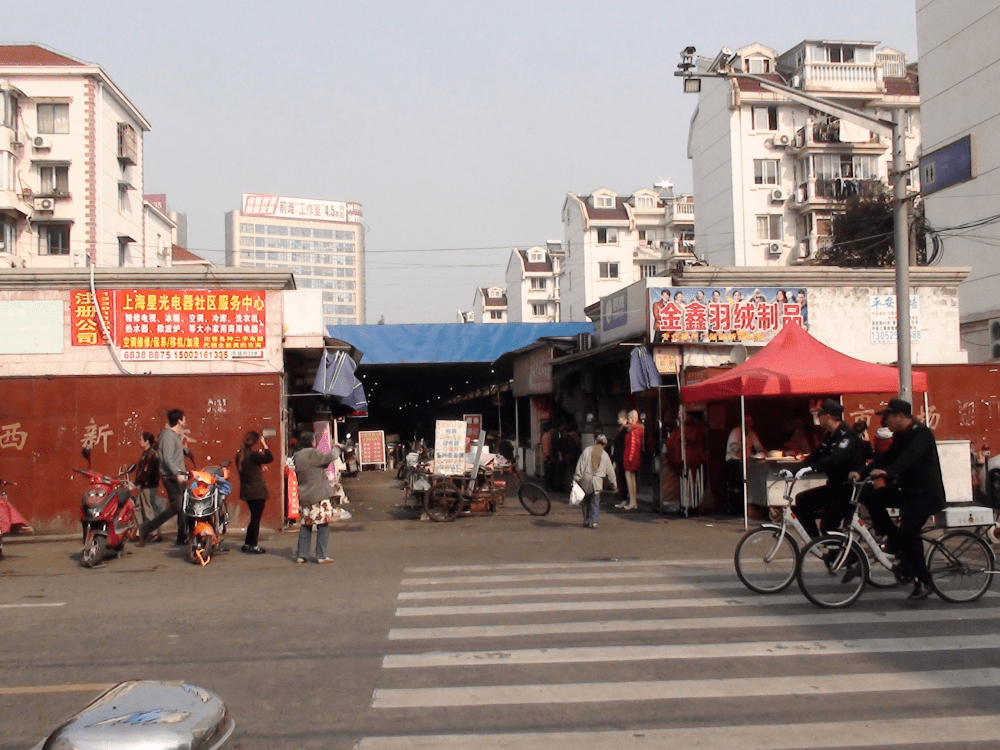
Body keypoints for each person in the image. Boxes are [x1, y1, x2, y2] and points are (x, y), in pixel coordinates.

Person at [854, 398, 947, 601]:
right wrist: (861, 473)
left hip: (924, 496)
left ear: (900, 417)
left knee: (909, 533)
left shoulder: (921, 434)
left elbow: (909, 458)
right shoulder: (901, 436)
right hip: (907, 492)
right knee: (872, 496)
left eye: (888, 417)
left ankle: (924, 582)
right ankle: (894, 541)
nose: (885, 422)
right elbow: (885, 458)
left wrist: (886, 472)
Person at [786, 399, 867, 538]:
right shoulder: (830, 435)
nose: (817, 418)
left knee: (828, 525)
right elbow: (815, 457)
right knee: (802, 500)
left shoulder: (847, 435)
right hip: (835, 487)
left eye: (820, 415)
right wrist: (793, 470)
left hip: (849, 489)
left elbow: (834, 459)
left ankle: (847, 556)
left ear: (828, 416)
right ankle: (815, 542)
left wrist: (812, 469)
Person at [139, 408, 189, 546]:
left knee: (184, 507)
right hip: (172, 477)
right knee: (176, 507)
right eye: (184, 418)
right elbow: (167, 457)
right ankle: (146, 529)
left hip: (178, 477)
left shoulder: (173, 436)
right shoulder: (167, 435)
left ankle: (182, 537)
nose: (185, 421)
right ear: (179, 420)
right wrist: (177, 473)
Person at [293, 430, 342, 564]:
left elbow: (319, 464)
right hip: (319, 494)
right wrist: (337, 448)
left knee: (306, 525)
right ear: (311, 441)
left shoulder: (297, 456)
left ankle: (301, 555)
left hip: (304, 495)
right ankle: (321, 555)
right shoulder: (313, 453)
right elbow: (329, 457)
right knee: (323, 524)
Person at [235, 430, 274, 555]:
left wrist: (258, 467)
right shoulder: (253, 455)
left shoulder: (240, 455)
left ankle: (248, 543)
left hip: (247, 490)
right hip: (257, 491)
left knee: (253, 518)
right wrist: (265, 444)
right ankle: (253, 545)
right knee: (256, 519)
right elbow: (269, 458)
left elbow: (249, 468)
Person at [574, 434, 617, 528]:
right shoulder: (605, 455)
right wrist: (614, 484)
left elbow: (580, 465)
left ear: (595, 442)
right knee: (595, 501)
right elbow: (610, 471)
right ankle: (594, 522)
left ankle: (586, 520)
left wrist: (577, 478)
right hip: (597, 481)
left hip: (585, 480)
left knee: (585, 501)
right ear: (605, 445)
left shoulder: (587, 451)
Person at [725, 415, 766, 515]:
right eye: (747, 422)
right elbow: (733, 450)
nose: (750, 424)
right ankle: (741, 489)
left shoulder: (752, 434)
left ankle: (757, 501)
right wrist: (741, 447)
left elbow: (759, 447)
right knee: (741, 468)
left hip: (748, 460)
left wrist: (763, 452)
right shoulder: (736, 432)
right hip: (735, 460)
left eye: (751, 422)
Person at [134, 432, 163, 542]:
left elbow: (146, 471)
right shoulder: (148, 453)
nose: (139, 441)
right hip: (145, 485)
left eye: (141, 440)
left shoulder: (150, 454)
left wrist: (137, 482)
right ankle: (141, 531)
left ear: (146, 441)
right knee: (138, 507)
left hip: (148, 485)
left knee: (148, 509)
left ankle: (155, 533)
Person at [617, 410, 644, 510]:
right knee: (632, 479)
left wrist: (629, 459)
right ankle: (633, 500)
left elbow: (632, 446)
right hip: (634, 457)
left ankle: (632, 500)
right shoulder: (636, 429)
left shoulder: (633, 431)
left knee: (629, 479)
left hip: (630, 458)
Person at [611, 411, 629, 499]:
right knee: (620, 476)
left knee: (622, 476)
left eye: (619, 418)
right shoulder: (621, 429)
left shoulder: (625, 430)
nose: (618, 420)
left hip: (621, 455)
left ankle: (623, 495)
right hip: (619, 455)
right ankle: (621, 493)